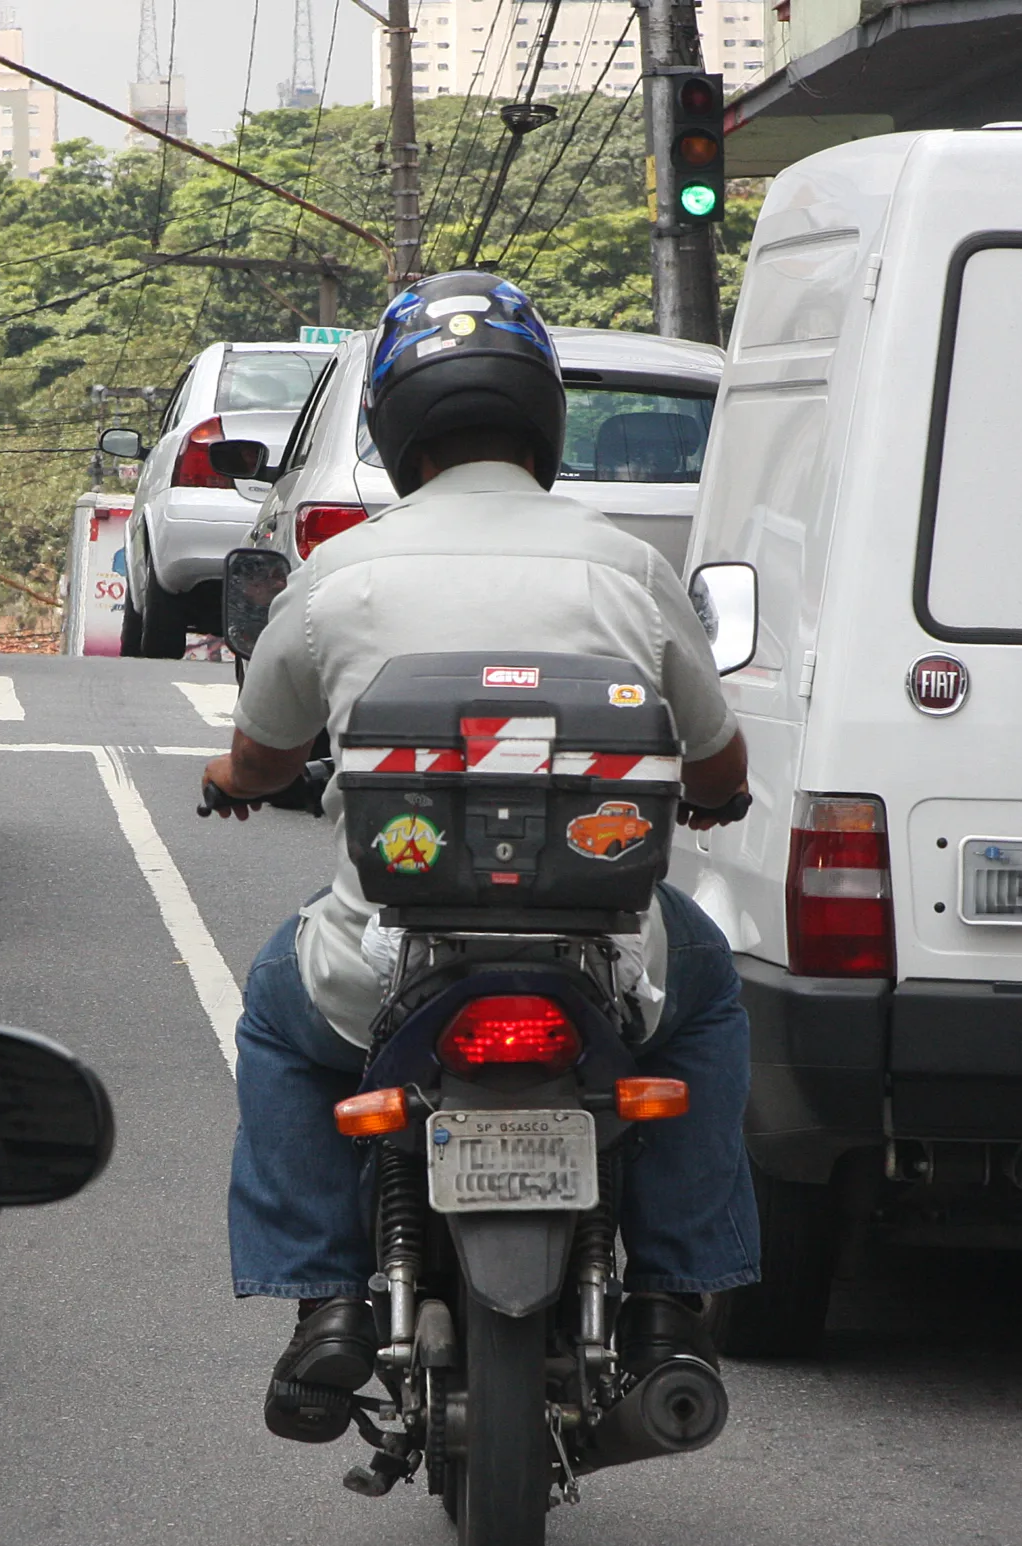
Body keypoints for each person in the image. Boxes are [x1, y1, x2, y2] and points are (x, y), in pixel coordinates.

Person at [202, 270, 759, 1444]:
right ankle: (668, 1298)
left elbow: (261, 754)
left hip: (387, 961)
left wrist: (230, 786)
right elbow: (714, 759)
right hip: (608, 963)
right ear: (545, 418)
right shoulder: (624, 566)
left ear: (397, 427)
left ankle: (322, 1305)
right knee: (707, 995)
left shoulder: (340, 571)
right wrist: (718, 798)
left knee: (272, 1016)